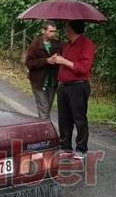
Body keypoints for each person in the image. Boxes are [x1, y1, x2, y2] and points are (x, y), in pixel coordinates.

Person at [49, 20, 96, 159]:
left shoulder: (86, 44)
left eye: (67, 27)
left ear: (72, 29)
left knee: (79, 118)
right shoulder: (67, 45)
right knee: (64, 118)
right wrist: (56, 59)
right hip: (64, 85)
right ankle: (65, 146)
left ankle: (81, 148)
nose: (65, 29)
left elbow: (83, 68)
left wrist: (64, 61)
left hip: (78, 86)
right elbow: (63, 63)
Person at [25, 21, 62, 119]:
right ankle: (45, 131)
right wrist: (46, 60)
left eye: (54, 31)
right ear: (43, 31)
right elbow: (29, 63)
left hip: (52, 81)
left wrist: (57, 58)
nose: (53, 33)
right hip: (39, 82)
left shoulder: (57, 43)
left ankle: (43, 128)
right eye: (50, 31)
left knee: (47, 108)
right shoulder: (35, 45)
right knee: (44, 108)